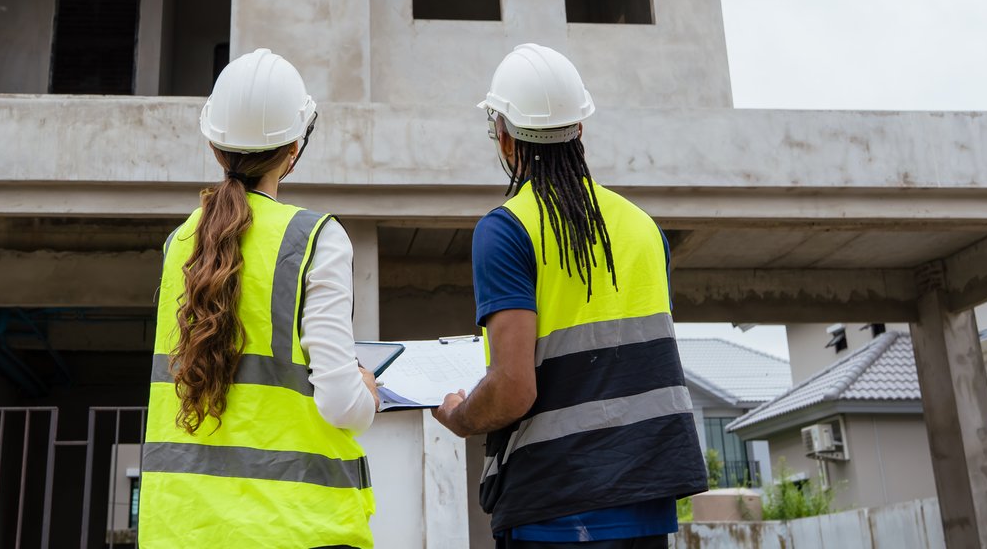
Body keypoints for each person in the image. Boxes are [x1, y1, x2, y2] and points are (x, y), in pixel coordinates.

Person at [432, 43, 706, 549]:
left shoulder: (507, 229)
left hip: (553, 508)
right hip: (645, 505)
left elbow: (514, 389)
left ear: (505, 137)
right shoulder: (645, 228)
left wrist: (461, 415)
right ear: (581, 129)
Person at [139, 49, 379, 548]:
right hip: (294, 528)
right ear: (294, 149)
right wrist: (368, 393)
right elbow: (342, 405)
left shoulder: (177, 245)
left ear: (213, 144)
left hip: (180, 531)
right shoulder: (315, 239)